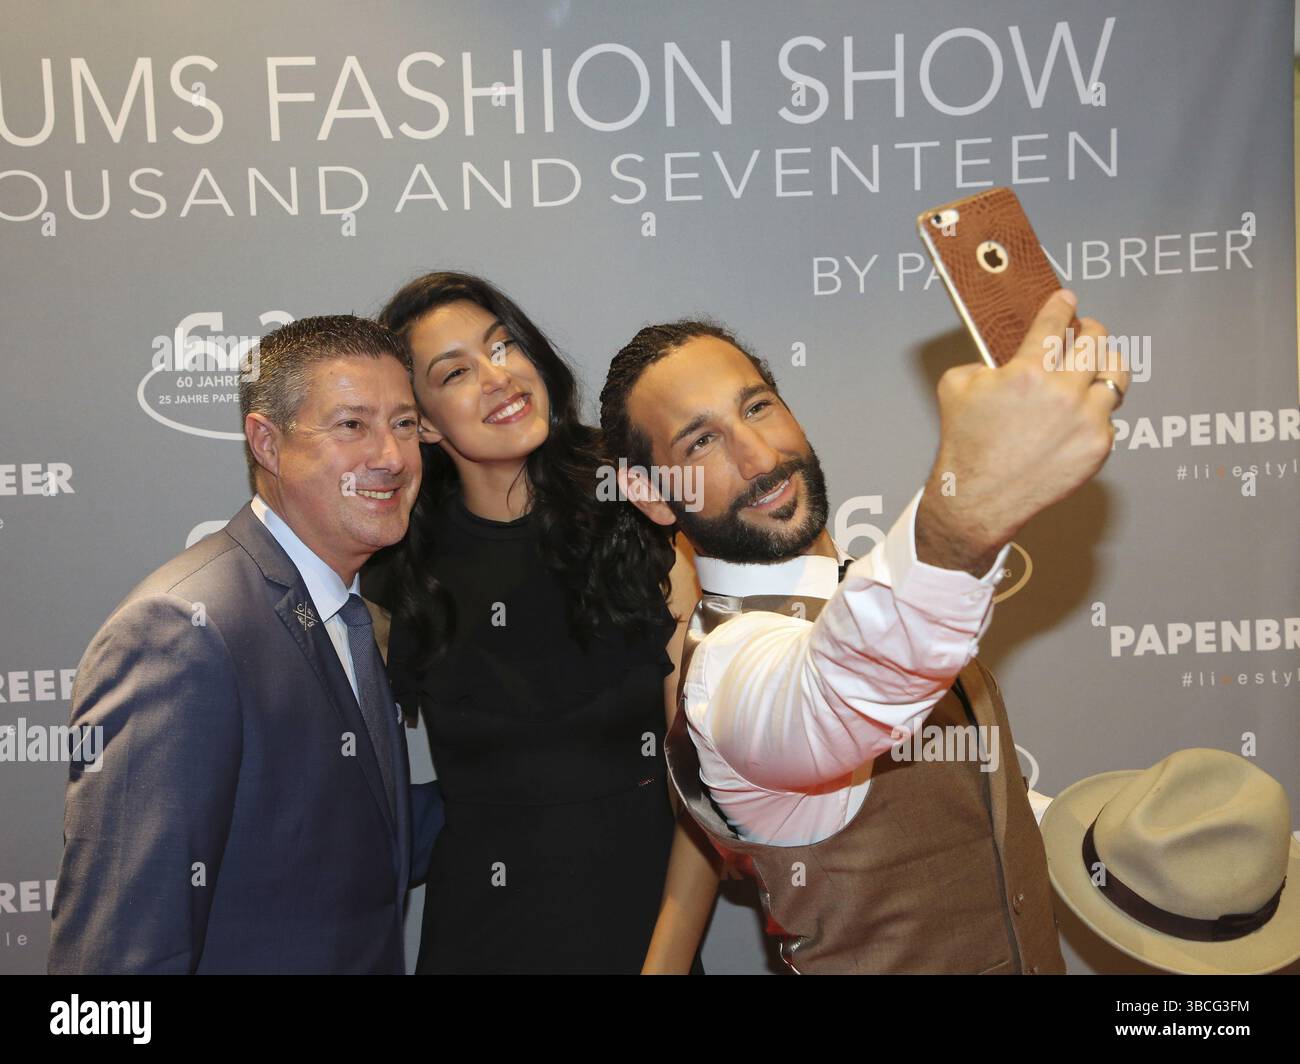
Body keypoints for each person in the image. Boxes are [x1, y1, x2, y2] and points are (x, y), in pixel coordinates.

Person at [598, 290, 1130, 974]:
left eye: (757, 406)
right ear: (647, 491)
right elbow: (841, 686)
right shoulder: (724, 676)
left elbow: (948, 809)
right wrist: (967, 506)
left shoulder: (862, 586)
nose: (759, 457)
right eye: (701, 441)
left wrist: (1117, 844)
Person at [48, 315, 443, 974]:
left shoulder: (348, 613)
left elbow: (343, 837)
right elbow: (116, 960)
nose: (392, 457)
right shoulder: (180, 633)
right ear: (266, 443)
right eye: (352, 425)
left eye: (404, 425)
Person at [367, 272, 718, 974]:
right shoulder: (398, 570)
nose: (498, 377)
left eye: (504, 347)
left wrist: (666, 967)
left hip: (643, 941)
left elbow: (706, 784)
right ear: (424, 422)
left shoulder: (640, 518)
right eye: (456, 371)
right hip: (476, 942)